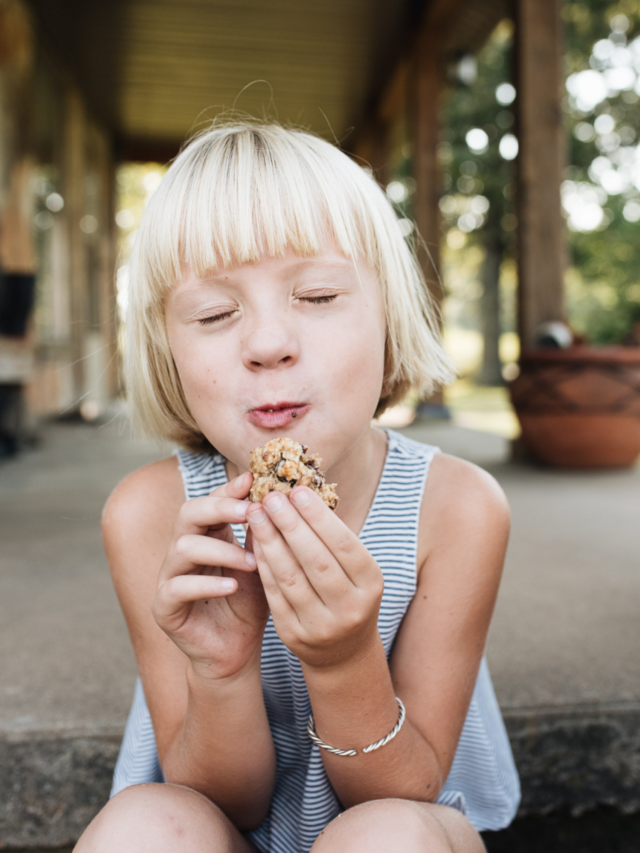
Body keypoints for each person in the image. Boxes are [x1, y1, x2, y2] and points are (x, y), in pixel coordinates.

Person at [75, 121, 520, 853]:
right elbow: (222, 801)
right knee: (144, 826)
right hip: (224, 823)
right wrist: (220, 669)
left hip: (398, 809)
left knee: (388, 837)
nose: (267, 343)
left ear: (388, 313)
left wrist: (344, 659)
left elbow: (405, 793)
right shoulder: (152, 515)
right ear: (167, 349)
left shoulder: (454, 509)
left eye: (316, 295)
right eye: (215, 313)